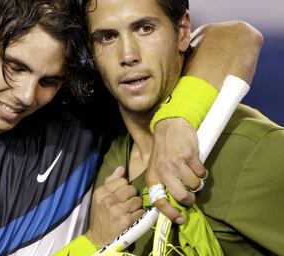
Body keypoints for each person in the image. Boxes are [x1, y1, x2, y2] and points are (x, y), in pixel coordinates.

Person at [0, 1, 265, 256]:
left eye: (48, 80)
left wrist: (175, 122)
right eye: (16, 66)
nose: (26, 96)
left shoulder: (74, 106)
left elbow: (237, 37)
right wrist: (91, 243)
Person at [58, 0, 283, 255]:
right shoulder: (101, 157)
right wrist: (93, 243)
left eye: (144, 29)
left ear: (183, 32)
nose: (128, 55)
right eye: (108, 37)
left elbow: (237, 35)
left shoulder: (252, 149)